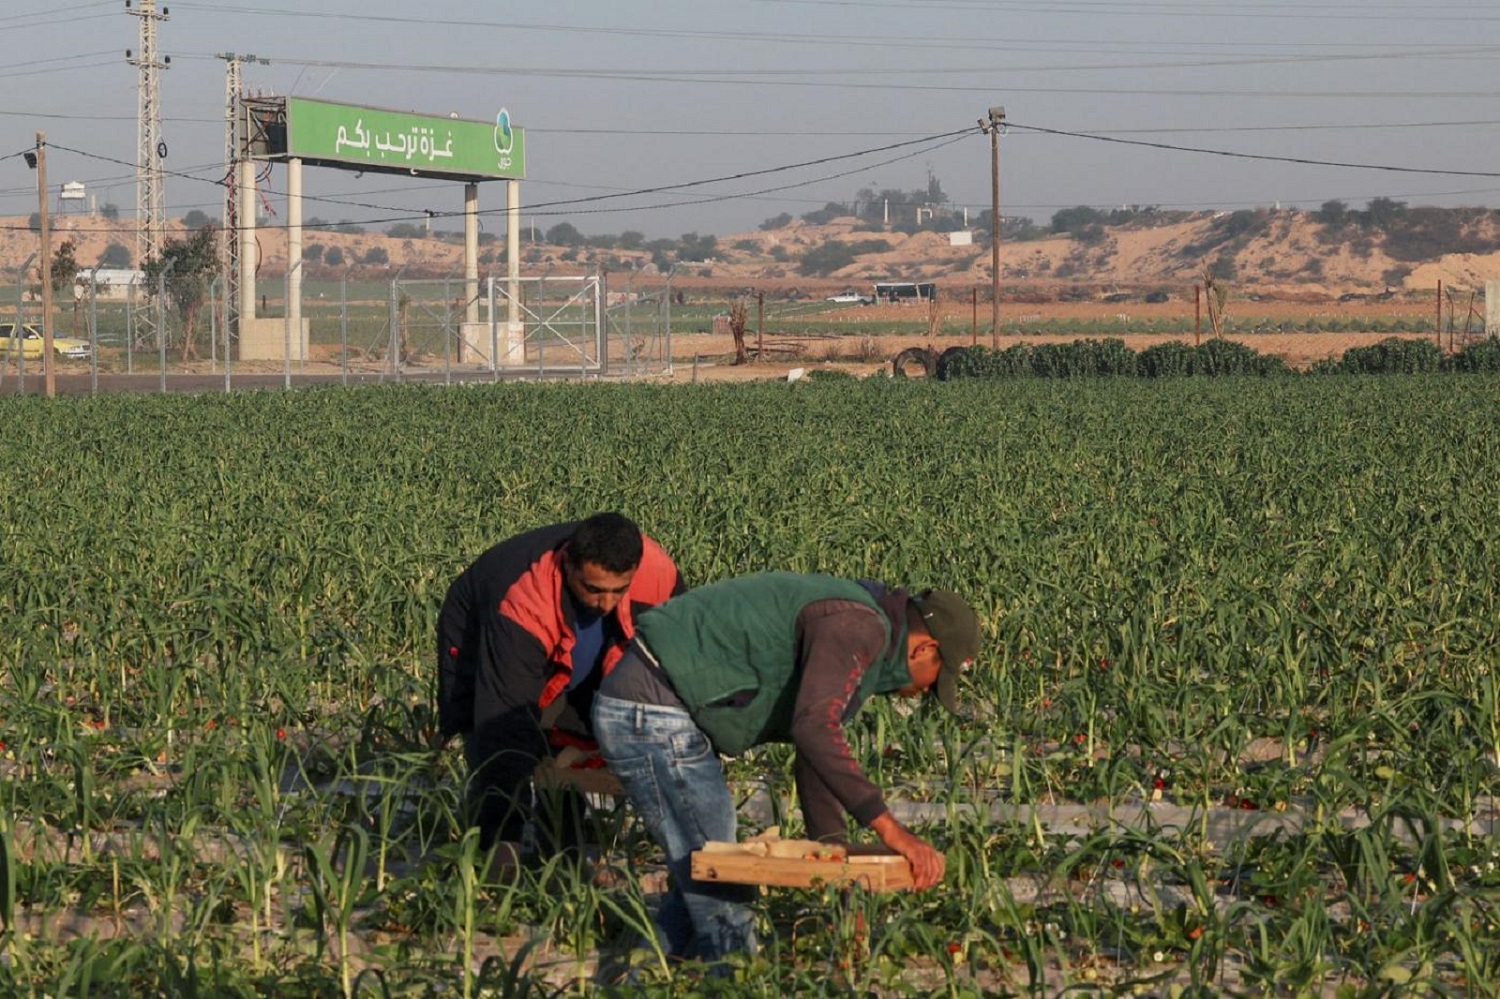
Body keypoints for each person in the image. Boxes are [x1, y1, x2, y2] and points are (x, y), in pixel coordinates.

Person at [592, 571, 981, 963]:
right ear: (923, 649)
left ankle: (641, 974)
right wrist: (891, 829)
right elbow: (814, 729)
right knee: (724, 870)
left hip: (654, 704)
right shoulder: (857, 626)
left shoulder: (864, 642)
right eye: (936, 681)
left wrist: (841, 879)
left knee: (704, 870)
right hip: (651, 705)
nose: (926, 691)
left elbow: (816, 759)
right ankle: (732, 981)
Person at [436, 512, 685, 860]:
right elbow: (504, 725)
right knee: (501, 743)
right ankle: (491, 846)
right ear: (567, 565)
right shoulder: (523, 604)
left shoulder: (657, 576)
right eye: (594, 589)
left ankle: (557, 849)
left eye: (619, 590)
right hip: (484, 626)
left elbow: (678, 673)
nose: (607, 603)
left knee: (570, 738)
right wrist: (501, 840)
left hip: (587, 649)